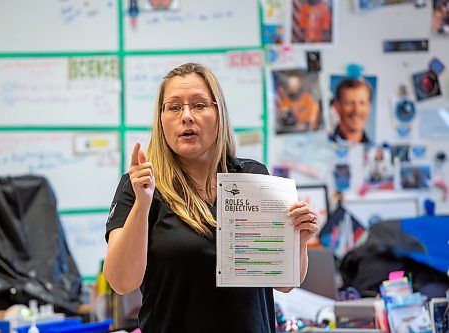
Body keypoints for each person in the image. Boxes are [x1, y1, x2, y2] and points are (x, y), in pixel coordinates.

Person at [103, 63, 319, 333]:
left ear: (219, 114)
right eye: (174, 107)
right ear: (161, 119)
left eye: (199, 105)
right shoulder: (139, 185)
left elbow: (286, 282)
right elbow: (122, 282)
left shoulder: (252, 175)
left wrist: (299, 239)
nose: (186, 116)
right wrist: (142, 203)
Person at [330, 78, 373, 144]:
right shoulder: (320, 149)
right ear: (337, 107)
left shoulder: (375, 151)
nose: (356, 110)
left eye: (362, 103)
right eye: (349, 103)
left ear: (369, 107)